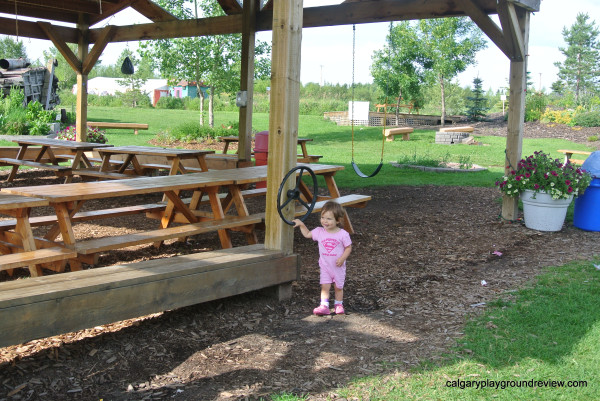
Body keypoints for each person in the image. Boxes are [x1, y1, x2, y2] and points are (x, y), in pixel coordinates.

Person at [293, 201, 352, 315]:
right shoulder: (319, 231)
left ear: (338, 220)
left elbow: (348, 248)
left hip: (338, 267)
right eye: (323, 217)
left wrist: (342, 258)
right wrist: (301, 224)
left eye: (329, 219)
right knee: (325, 286)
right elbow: (307, 234)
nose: (325, 221)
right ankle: (324, 306)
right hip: (325, 266)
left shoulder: (343, 234)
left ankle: (338, 304)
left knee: (338, 287)